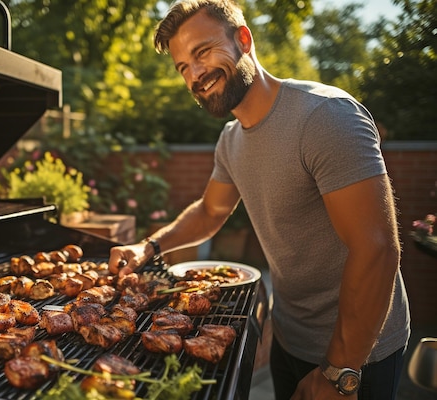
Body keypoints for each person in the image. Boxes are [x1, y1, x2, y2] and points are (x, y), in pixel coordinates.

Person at [107, 1, 411, 399]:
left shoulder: (326, 116)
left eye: (202, 52)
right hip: (290, 336)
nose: (195, 74)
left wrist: (340, 370)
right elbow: (211, 211)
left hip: (358, 351)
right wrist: (149, 246)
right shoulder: (231, 140)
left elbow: (376, 249)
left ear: (244, 39)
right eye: (183, 67)